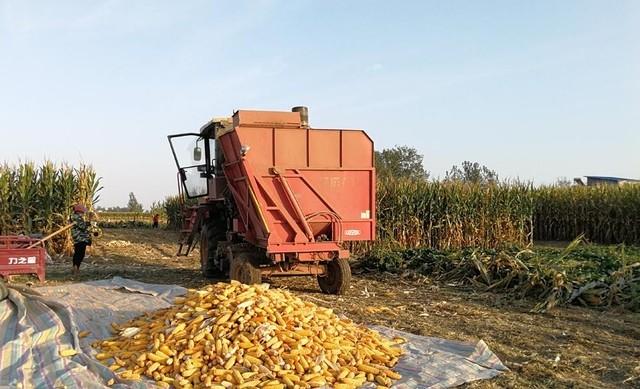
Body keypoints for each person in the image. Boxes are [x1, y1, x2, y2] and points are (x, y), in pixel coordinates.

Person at [70, 204, 91, 277]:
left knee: (77, 253)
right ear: (79, 211)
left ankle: (75, 267)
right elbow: (83, 227)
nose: (83, 213)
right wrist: (89, 222)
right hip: (80, 238)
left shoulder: (75, 217)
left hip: (78, 238)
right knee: (80, 254)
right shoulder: (77, 218)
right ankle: (76, 268)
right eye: (82, 212)